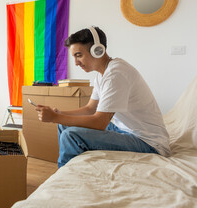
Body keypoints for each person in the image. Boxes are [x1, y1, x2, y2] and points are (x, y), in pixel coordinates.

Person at [35, 26, 170, 168]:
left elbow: (99, 122)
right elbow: (90, 109)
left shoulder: (116, 74)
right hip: (123, 129)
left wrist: (54, 117)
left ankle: (66, 176)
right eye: (74, 57)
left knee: (71, 136)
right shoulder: (102, 75)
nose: (76, 63)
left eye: (79, 55)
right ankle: (75, 168)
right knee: (64, 123)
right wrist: (59, 114)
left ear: (97, 50)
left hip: (148, 142)